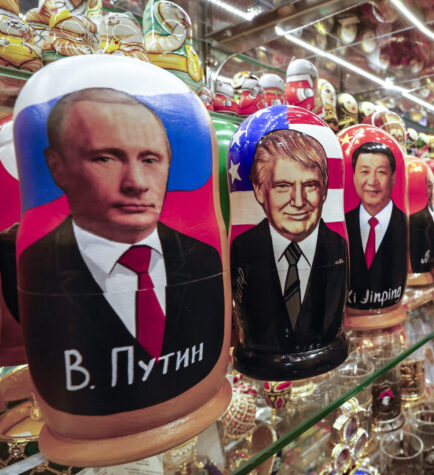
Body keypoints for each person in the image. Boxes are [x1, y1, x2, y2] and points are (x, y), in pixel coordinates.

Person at [18, 88, 224, 415]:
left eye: (150, 159)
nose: (136, 182)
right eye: (106, 158)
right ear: (57, 167)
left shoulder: (204, 257)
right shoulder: (36, 266)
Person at [231, 129, 347, 355]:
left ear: (324, 190)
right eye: (283, 186)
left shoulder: (338, 246)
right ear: (259, 190)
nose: (298, 201)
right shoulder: (242, 247)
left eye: (310, 185)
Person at [345, 141, 407, 309]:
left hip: (391, 308)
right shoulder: (342, 224)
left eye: (381, 172)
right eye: (364, 171)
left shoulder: (406, 224)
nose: (372, 181)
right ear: (354, 176)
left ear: (393, 177)